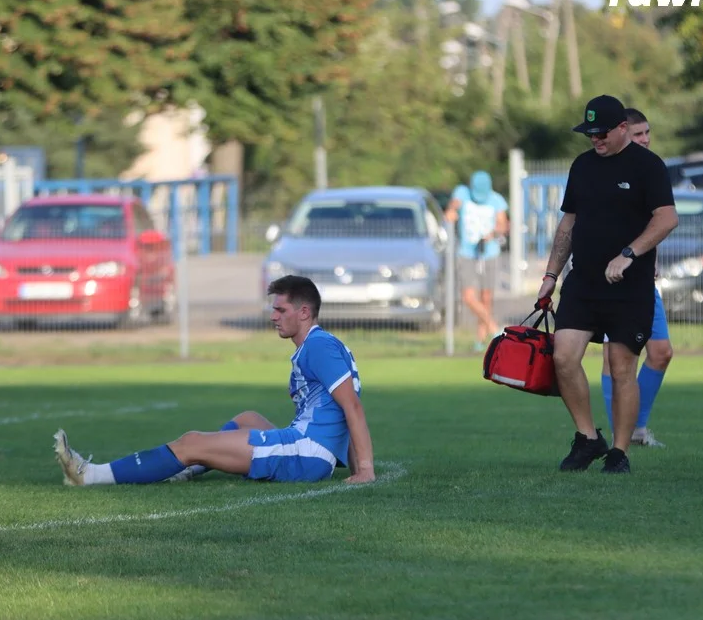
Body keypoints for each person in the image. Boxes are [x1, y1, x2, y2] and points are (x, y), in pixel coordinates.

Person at [53, 275, 377, 486]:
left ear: (304, 312)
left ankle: (91, 475)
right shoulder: (319, 345)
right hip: (311, 449)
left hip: (306, 453)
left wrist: (364, 470)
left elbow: (353, 408)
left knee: (192, 440)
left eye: (280, 309)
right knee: (247, 419)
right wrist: (348, 463)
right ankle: (188, 467)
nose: (273, 316)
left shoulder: (318, 347)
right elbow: (341, 412)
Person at [537, 94, 678, 474]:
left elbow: (666, 219)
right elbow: (568, 225)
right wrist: (550, 275)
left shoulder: (649, 166)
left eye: (602, 133)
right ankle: (587, 437)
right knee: (563, 356)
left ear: (621, 129)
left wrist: (629, 254)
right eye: (590, 133)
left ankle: (619, 452)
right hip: (582, 281)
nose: (595, 140)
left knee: (620, 368)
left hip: (629, 287)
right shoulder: (582, 166)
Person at [599, 108, 673, 448]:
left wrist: (645, 257)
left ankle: (637, 429)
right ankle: (622, 435)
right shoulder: (605, 170)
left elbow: (657, 222)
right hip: (608, 278)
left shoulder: (652, 170)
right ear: (624, 132)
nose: (644, 139)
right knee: (614, 355)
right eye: (638, 133)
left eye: (647, 133)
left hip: (643, 279)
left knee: (661, 352)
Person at [444, 171, 509, 351]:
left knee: (486, 298)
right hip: (467, 253)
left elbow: (503, 224)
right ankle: (495, 328)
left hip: (489, 253)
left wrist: (493, 233)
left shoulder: (496, 200)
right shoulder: (462, 193)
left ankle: (480, 341)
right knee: (468, 297)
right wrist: (451, 211)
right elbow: (453, 207)